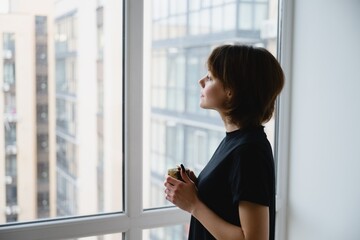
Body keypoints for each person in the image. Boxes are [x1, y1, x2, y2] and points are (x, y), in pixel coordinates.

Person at [164, 44, 285, 240]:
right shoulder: (236, 140)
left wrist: (194, 204)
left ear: (231, 90)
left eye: (210, 77)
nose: (201, 81)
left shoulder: (249, 150)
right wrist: (198, 190)